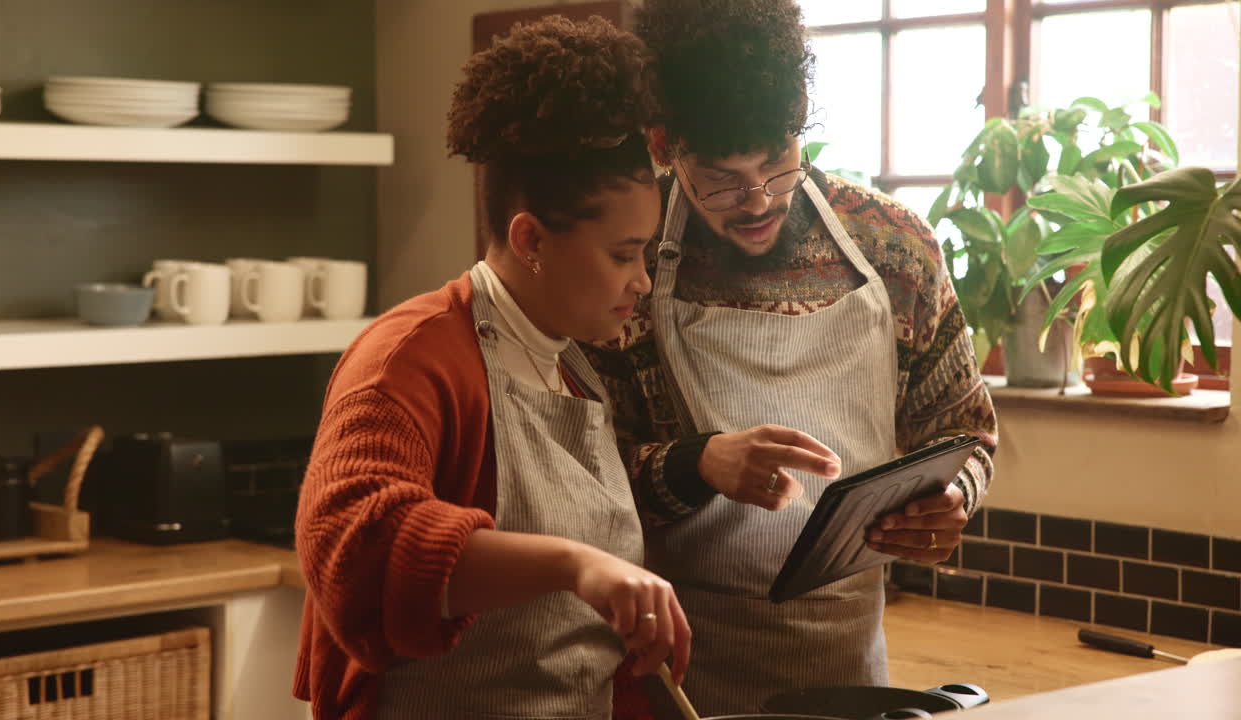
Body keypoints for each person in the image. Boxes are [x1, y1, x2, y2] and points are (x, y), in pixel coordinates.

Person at [588, 0, 998, 715]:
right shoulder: (630, 258)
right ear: (664, 142)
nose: (756, 201)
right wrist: (697, 463)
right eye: (720, 177)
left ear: (801, 114)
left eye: (776, 162)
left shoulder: (893, 246)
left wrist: (952, 498)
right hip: (677, 668)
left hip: (850, 658)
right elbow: (583, 486)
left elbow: (965, 428)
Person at [292, 16, 691, 720]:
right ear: (530, 237)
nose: (642, 283)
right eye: (623, 255)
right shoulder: (409, 358)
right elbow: (353, 552)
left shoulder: (575, 366)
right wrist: (575, 564)